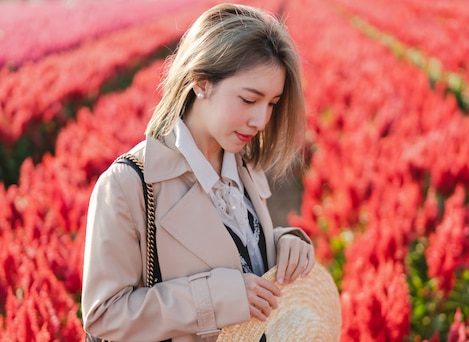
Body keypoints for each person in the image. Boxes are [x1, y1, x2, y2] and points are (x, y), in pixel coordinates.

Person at [81, 3, 315, 341]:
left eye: (272, 103)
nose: (261, 120)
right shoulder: (129, 184)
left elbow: (233, 253)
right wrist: (215, 299)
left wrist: (284, 244)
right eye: (249, 100)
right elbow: (104, 315)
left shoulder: (243, 162)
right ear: (201, 83)